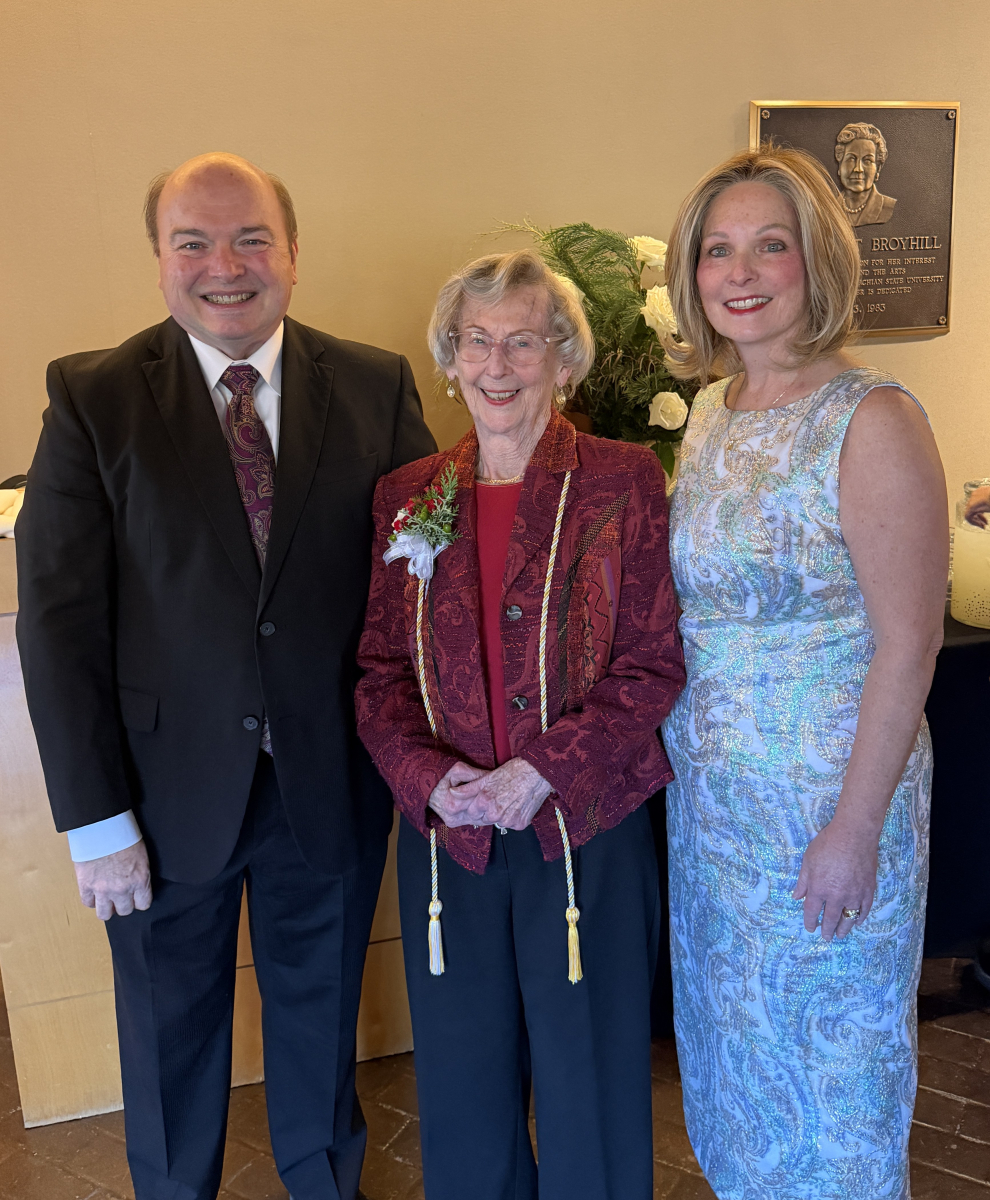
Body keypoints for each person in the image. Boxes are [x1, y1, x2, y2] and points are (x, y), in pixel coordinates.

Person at [15, 152, 435, 1200]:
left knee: (319, 1036)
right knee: (168, 1049)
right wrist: (96, 821)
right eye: (192, 242)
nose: (224, 266)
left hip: (328, 787)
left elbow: (424, 580)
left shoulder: (376, 384)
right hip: (158, 804)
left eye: (250, 237)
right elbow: (56, 624)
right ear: (158, 259)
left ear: (292, 251)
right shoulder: (93, 397)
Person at [355, 250, 685, 1200]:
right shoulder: (408, 493)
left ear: (564, 357)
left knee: (590, 1077)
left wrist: (541, 771)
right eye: (475, 340)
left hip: (583, 831)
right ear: (450, 358)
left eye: (522, 341)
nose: (496, 364)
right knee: (461, 1076)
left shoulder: (623, 482)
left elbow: (653, 660)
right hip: (448, 841)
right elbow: (378, 670)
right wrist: (427, 781)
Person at [659, 146, 947, 1199]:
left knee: (833, 1081)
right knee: (741, 1072)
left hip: (829, 808)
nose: (741, 272)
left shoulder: (872, 418)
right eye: (717, 251)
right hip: (719, 818)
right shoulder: (710, 414)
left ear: (815, 261)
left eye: (768, 245)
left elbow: (910, 645)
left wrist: (855, 830)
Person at [834, 121, 897, 227]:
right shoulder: (828, 209)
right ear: (840, 165)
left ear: (878, 169)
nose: (858, 169)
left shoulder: (888, 207)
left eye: (867, 160)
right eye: (851, 159)